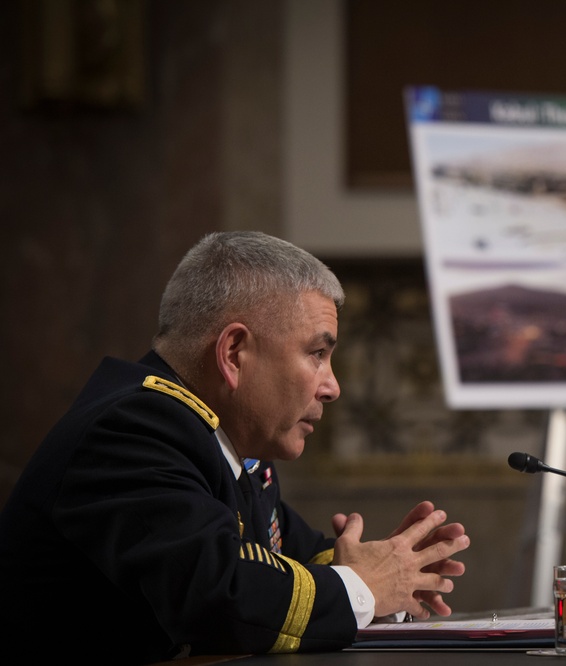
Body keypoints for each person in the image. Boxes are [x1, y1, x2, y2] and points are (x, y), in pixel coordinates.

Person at [0, 231, 470, 663]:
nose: (332, 387)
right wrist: (365, 589)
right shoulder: (133, 430)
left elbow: (291, 560)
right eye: (317, 354)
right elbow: (218, 594)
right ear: (233, 354)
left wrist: (388, 571)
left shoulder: (226, 443)